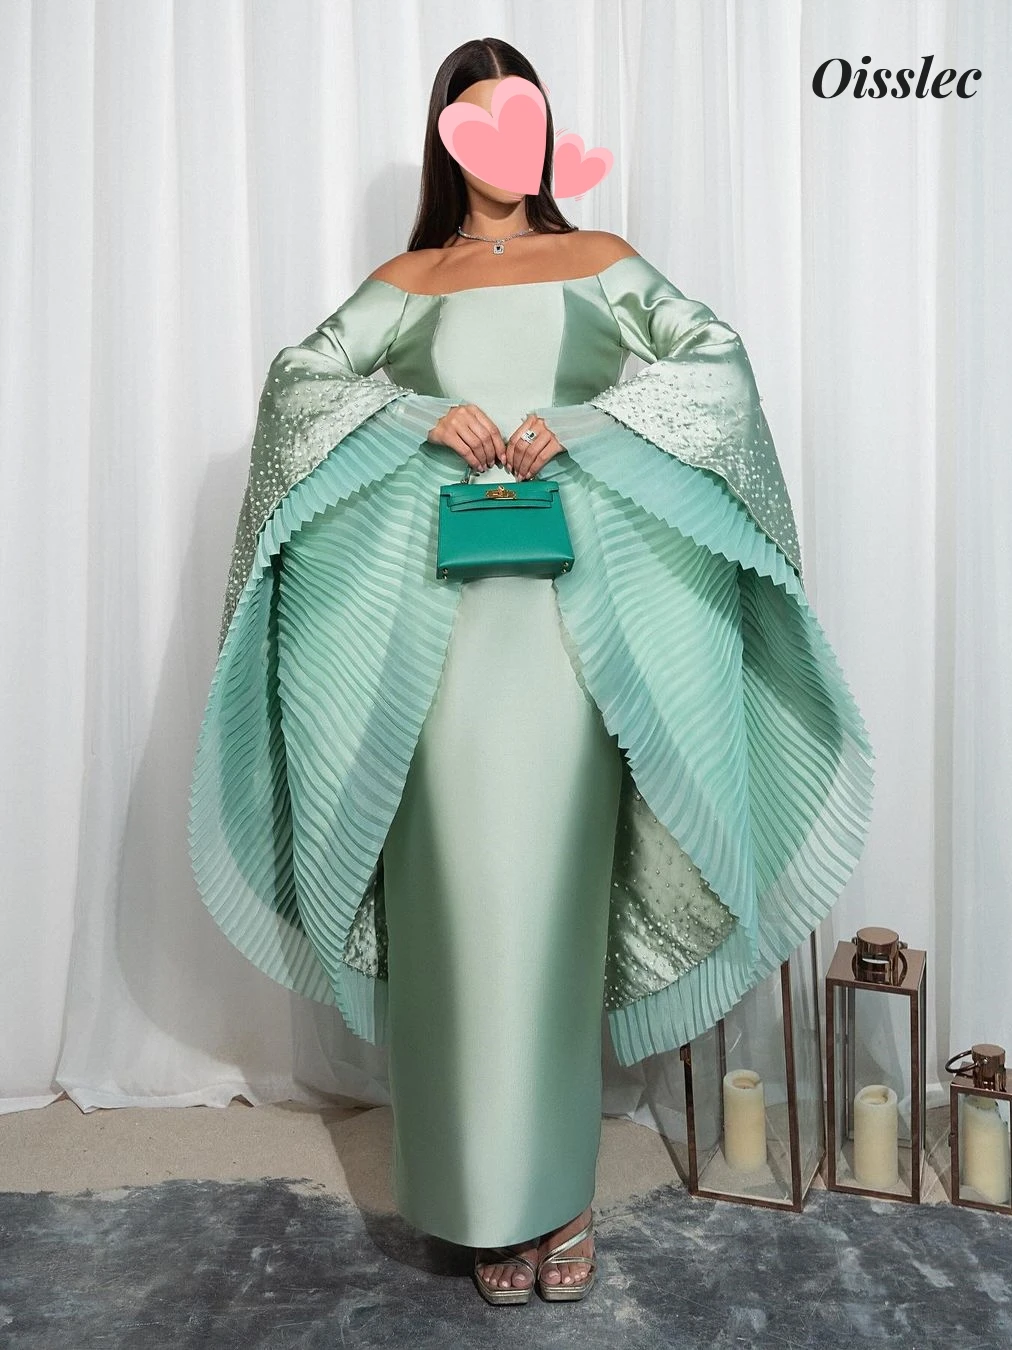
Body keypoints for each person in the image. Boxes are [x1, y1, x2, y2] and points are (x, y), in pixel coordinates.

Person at [188, 37, 875, 1306]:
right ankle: (472, 1198)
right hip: (436, 644)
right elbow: (299, 386)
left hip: (567, 643)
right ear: (449, 136)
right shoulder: (410, 283)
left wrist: (590, 422)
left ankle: (556, 1195)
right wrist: (412, 415)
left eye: (525, 116)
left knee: (548, 907)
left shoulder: (600, 263)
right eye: (480, 116)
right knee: (454, 911)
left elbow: (715, 365)